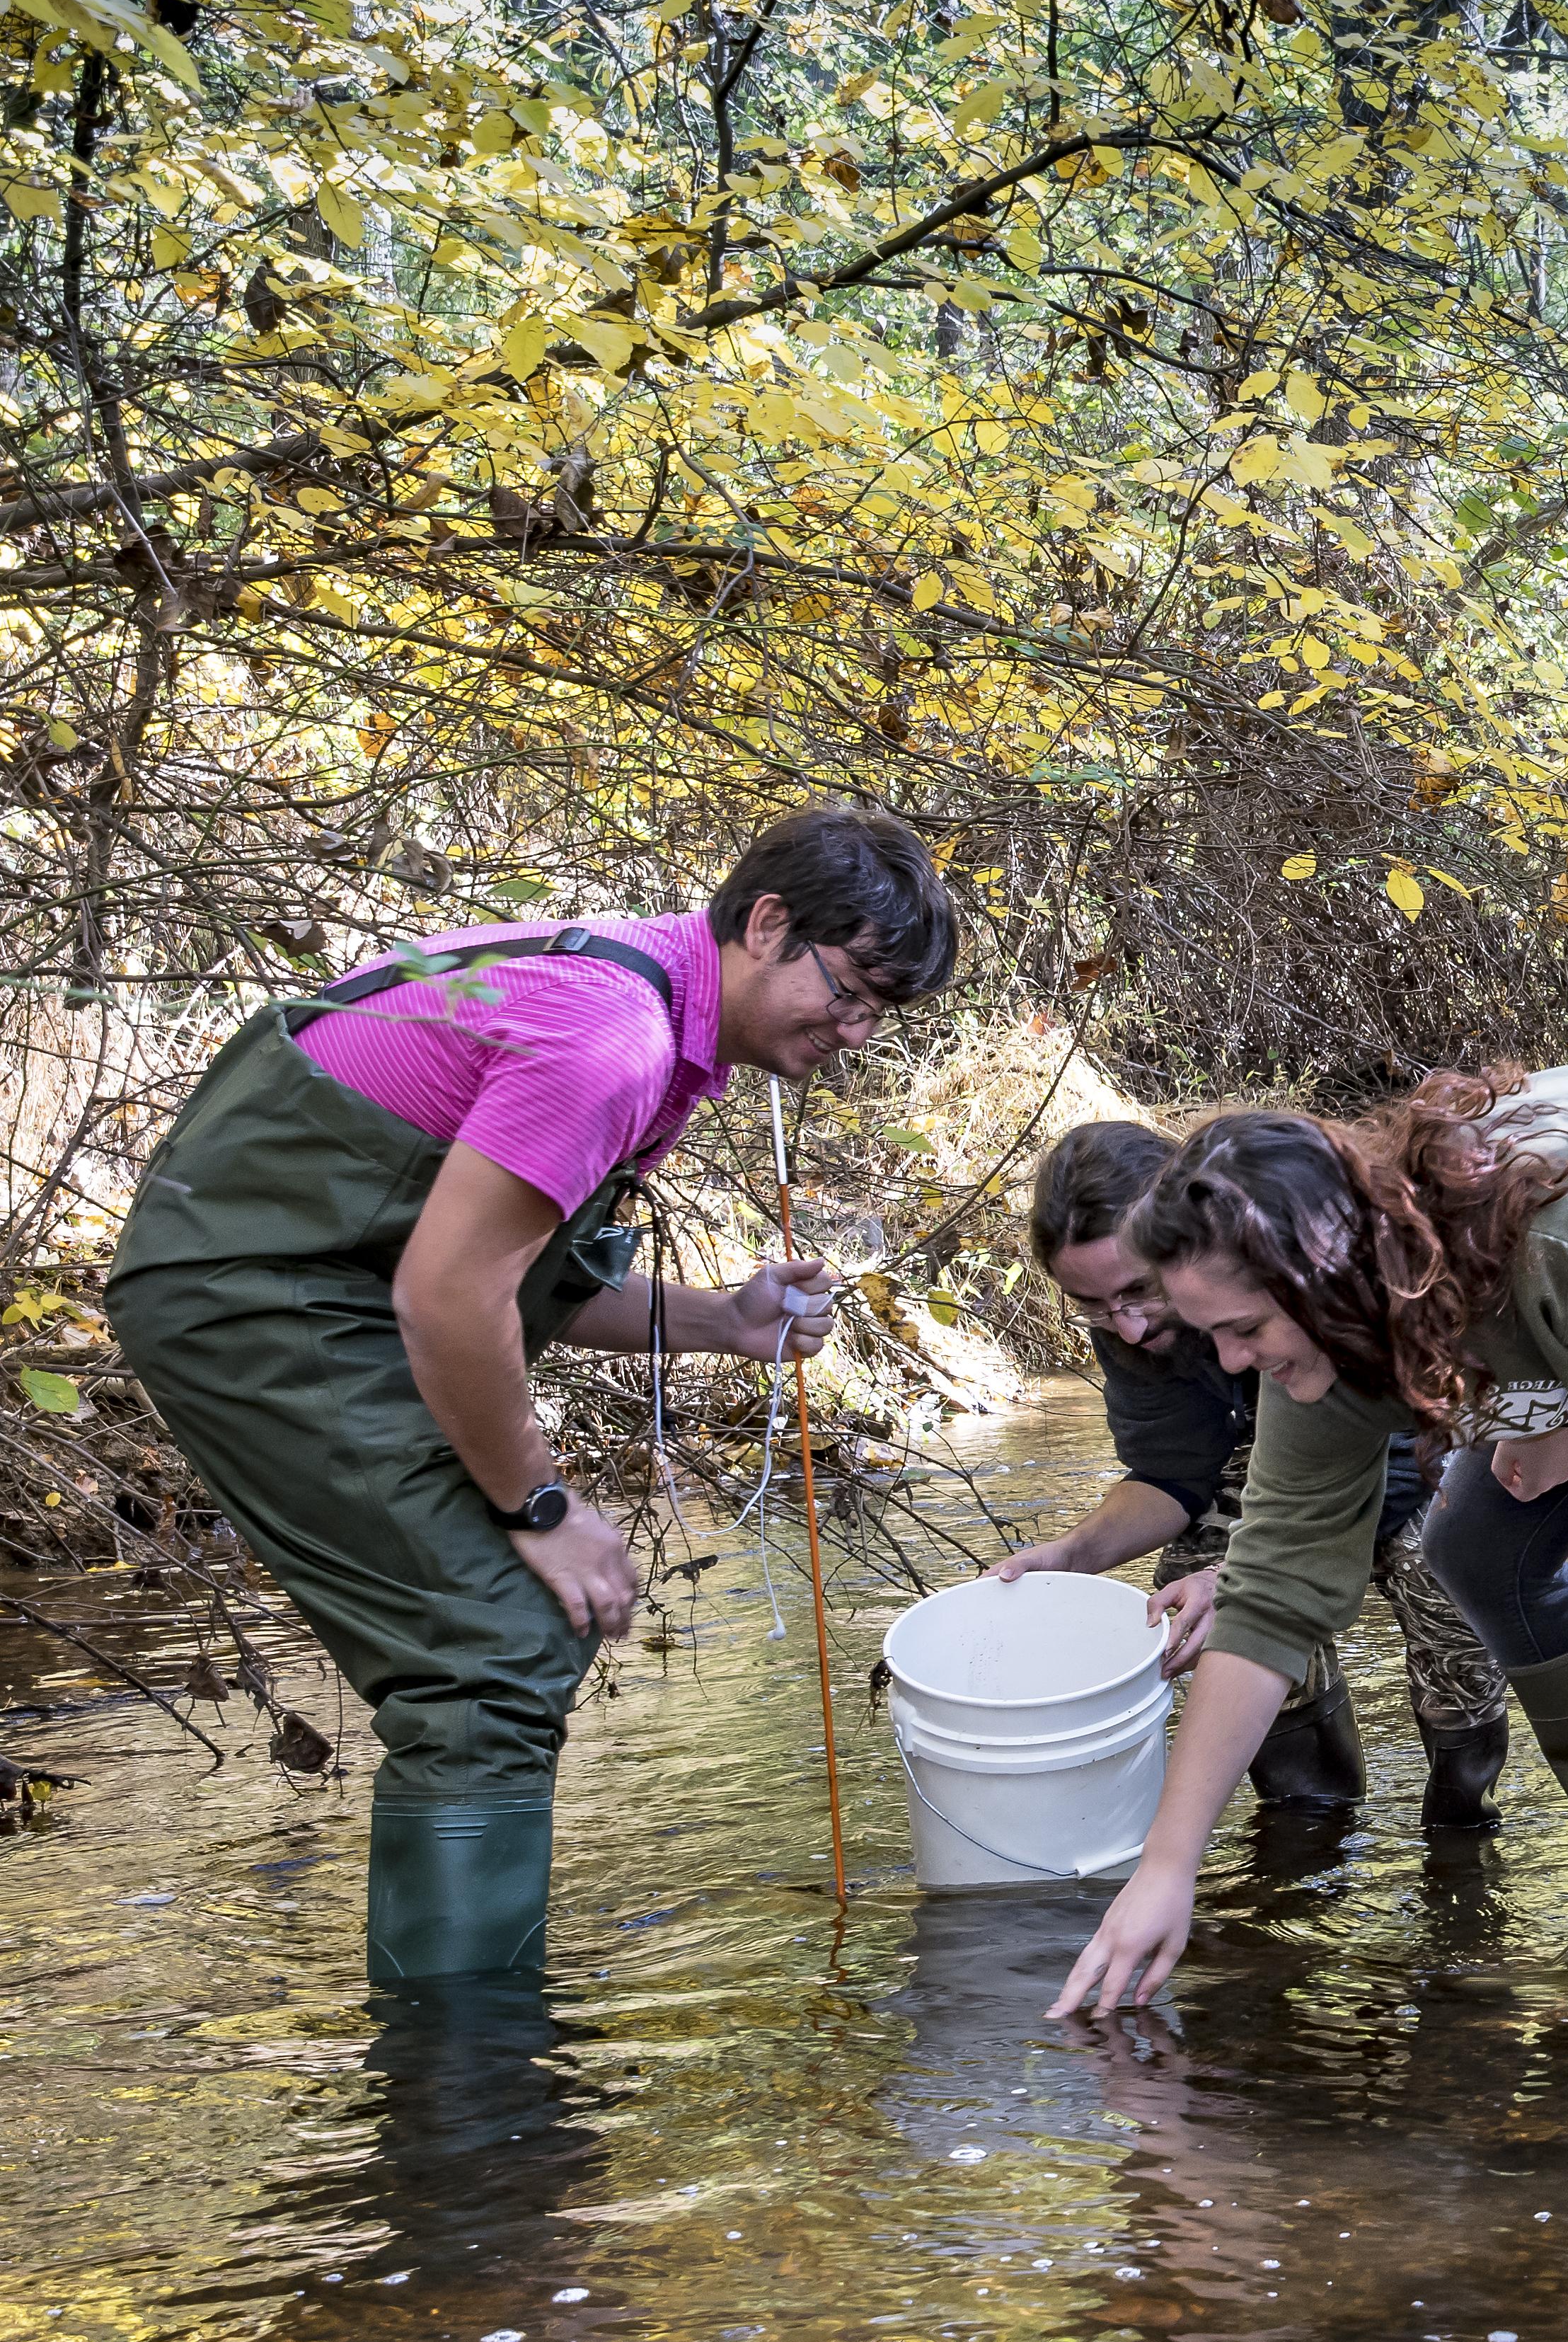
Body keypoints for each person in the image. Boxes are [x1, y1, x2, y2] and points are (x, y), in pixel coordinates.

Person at [104, 808, 958, 1985]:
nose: (858, 1032)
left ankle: (468, 2053)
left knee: (501, 1639)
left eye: (883, 1013)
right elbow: (448, 1296)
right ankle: (468, 2082)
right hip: (248, 1298)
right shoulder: (607, 1035)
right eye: (854, 990)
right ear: (768, 925)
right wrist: (543, 1509)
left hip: (306, 1281)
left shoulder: (631, 993)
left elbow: (507, 1273)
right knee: (492, 1648)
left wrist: (723, 1319)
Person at [1050, 1057, 1568, 2008]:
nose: (1231, 1362)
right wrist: (1166, 1869)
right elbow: (1270, 1597)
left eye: (1244, 1329)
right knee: (1472, 1552)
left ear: (1320, 1275)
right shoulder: (1316, 1342)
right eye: (1211, 1335)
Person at [991, 1120, 1507, 1830]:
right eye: (1096, 1307)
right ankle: (1309, 1819)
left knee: (1444, 1567)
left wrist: (1243, 1577)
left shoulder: (1309, 1265)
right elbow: (1173, 1476)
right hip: (1269, 1467)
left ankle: (1462, 1817)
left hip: (1406, 1445)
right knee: (1193, 1593)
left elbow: (1387, 1460)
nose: (1129, 1327)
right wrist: (1073, 1556)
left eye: (1140, 1292)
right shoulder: (1131, 1329)